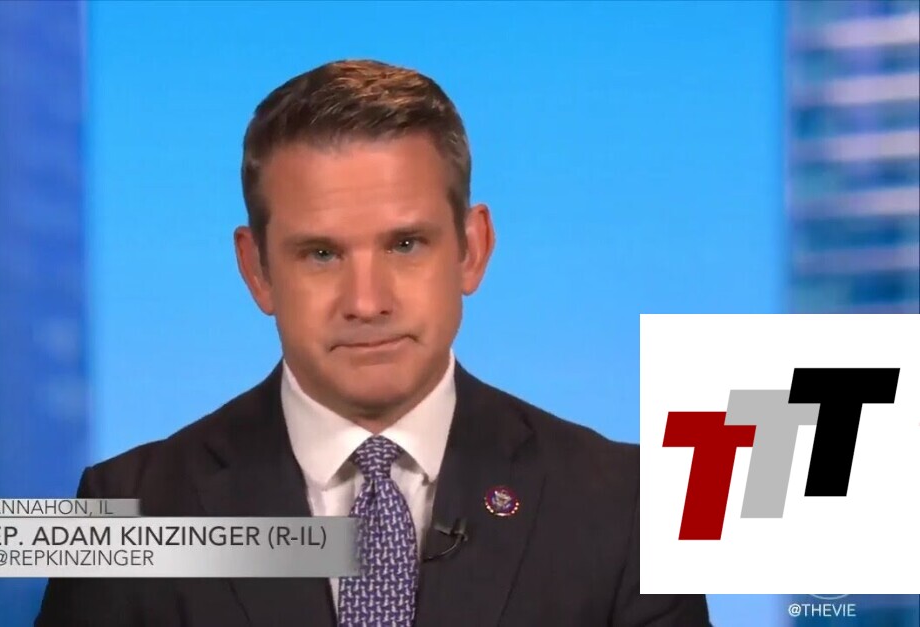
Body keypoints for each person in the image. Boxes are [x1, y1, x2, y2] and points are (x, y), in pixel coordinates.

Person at [36, 59, 710, 627]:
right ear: (257, 269)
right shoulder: (129, 511)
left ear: (471, 249)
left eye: (406, 244)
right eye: (321, 253)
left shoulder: (624, 507)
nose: (366, 301)